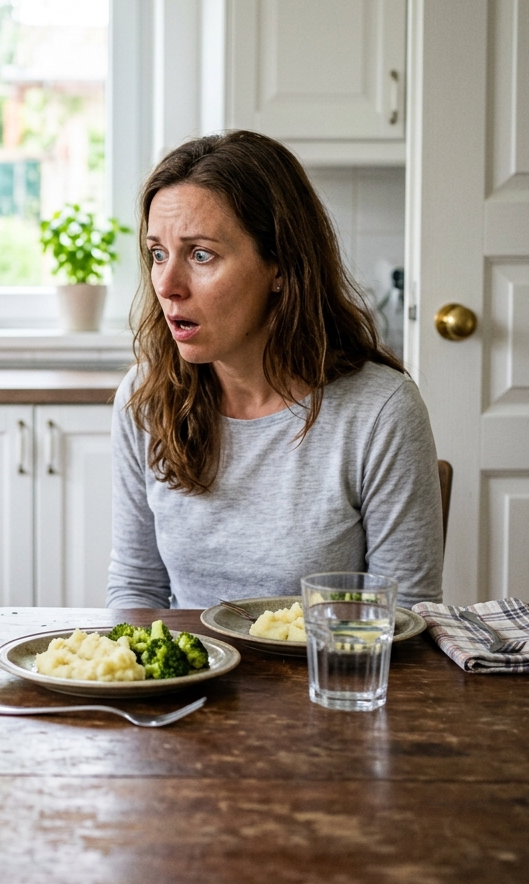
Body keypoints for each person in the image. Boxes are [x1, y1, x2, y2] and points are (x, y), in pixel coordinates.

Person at [107, 131, 443, 611]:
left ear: (281, 267)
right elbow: (136, 588)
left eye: (201, 254)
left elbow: (405, 613)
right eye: (158, 253)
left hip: (326, 682)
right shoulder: (145, 397)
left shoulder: (380, 411)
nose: (167, 284)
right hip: (190, 684)